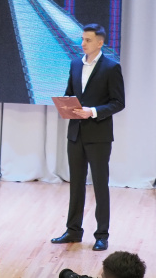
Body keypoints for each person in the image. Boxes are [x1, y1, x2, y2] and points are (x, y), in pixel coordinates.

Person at [51, 24, 124, 251]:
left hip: (99, 135)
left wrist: (92, 111)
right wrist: (65, 105)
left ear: (100, 43)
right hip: (75, 134)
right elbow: (70, 93)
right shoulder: (75, 64)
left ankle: (102, 234)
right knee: (76, 184)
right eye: (82, 39)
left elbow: (118, 102)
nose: (83, 43)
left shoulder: (111, 67)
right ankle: (73, 230)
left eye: (88, 40)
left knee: (100, 185)